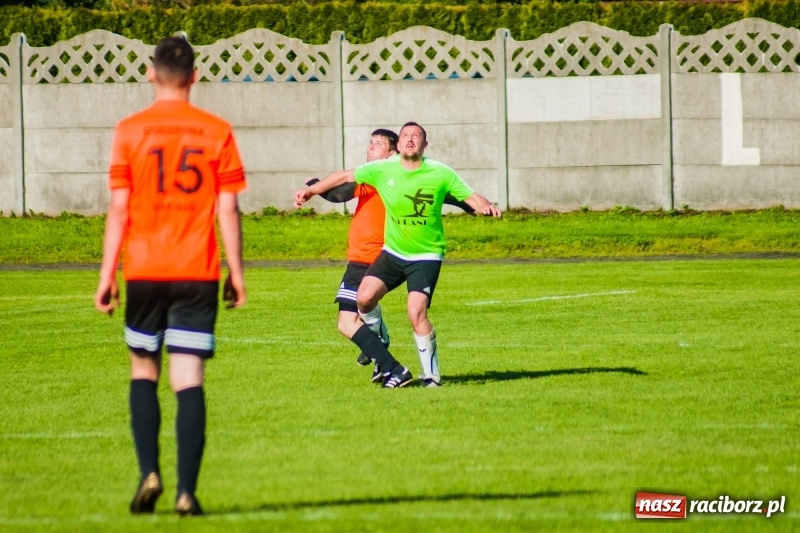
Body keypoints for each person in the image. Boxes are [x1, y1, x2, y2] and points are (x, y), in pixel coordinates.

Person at [94, 36, 247, 517]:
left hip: (143, 268)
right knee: (189, 380)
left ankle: (149, 473)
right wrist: (235, 271)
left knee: (143, 370)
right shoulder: (217, 130)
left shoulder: (129, 130)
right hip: (195, 271)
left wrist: (106, 275)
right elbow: (228, 207)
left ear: (150, 73)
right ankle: (187, 492)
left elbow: (119, 209)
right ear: (196, 76)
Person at [295, 122, 500, 388]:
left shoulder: (402, 175)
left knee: (364, 319)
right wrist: (315, 188)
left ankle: (403, 367)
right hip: (377, 255)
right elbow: (341, 187)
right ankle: (385, 356)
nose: (370, 148)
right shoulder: (375, 175)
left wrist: (478, 205)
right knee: (361, 305)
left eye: (377, 144)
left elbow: (446, 194)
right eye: (369, 143)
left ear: (396, 152)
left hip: (385, 257)